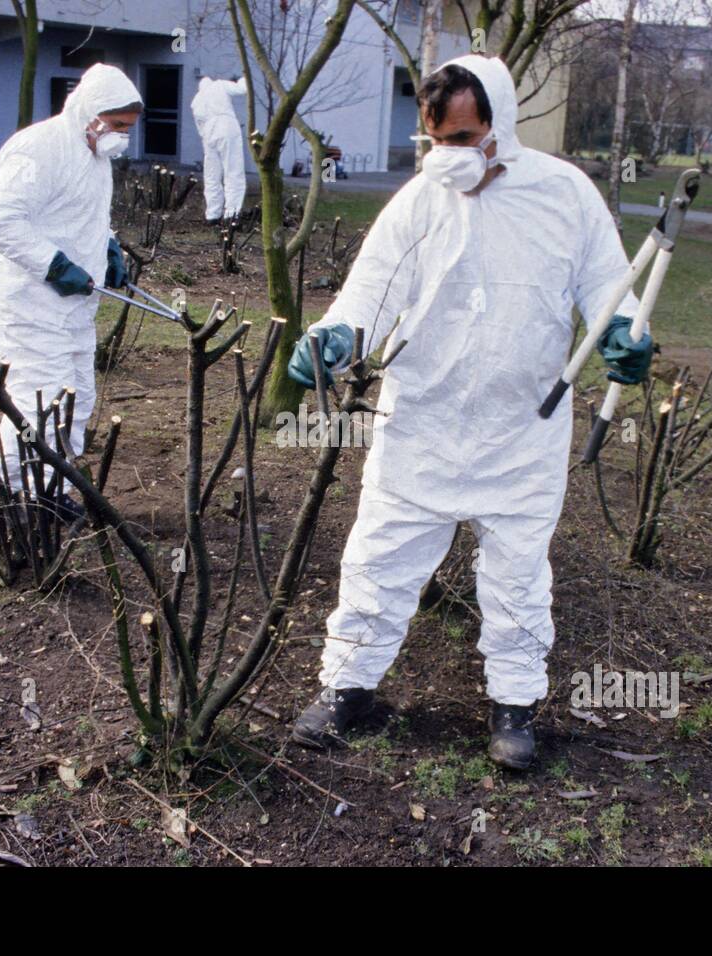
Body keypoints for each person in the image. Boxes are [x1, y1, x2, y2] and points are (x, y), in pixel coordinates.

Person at [285, 55, 653, 769]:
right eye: (435, 141)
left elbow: (609, 283)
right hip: (422, 420)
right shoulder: (418, 203)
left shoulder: (565, 196)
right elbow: (370, 293)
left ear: (499, 126)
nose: (445, 156)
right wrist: (335, 337)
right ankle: (347, 685)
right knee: (378, 560)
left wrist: (622, 331)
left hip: (523, 429)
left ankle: (514, 704)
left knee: (518, 577)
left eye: (461, 139)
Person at [0, 64, 141, 518]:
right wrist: (54, 265)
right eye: (117, 125)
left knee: (76, 398)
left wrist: (108, 247)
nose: (122, 136)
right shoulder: (38, 147)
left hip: (73, 306)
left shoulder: (96, 158)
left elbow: (83, 215)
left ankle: (50, 485)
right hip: (26, 303)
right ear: (90, 112)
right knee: (38, 402)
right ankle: (8, 492)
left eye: (128, 128)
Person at [190, 75, 247, 223]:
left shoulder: (196, 101)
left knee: (211, 174)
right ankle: (231, 214)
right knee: (233, 171)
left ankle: (213, 214)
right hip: (227, 126)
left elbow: (200, 128)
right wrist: (244, 78)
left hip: (208, 133)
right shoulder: (220, 85)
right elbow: (242, 89)